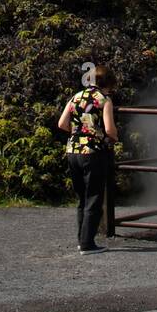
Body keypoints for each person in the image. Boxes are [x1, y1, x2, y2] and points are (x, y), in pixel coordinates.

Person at [57, 65, 118, 254]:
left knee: (82, 198)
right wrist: (113, 137)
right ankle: (87, 244)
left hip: (72, 151)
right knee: (94, 197)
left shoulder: (75, 97)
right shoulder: (104, 100)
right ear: (106, 83)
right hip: (92, 153)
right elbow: (109, 129)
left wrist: (78, 134)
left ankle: (81, 239)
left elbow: (61, 123)